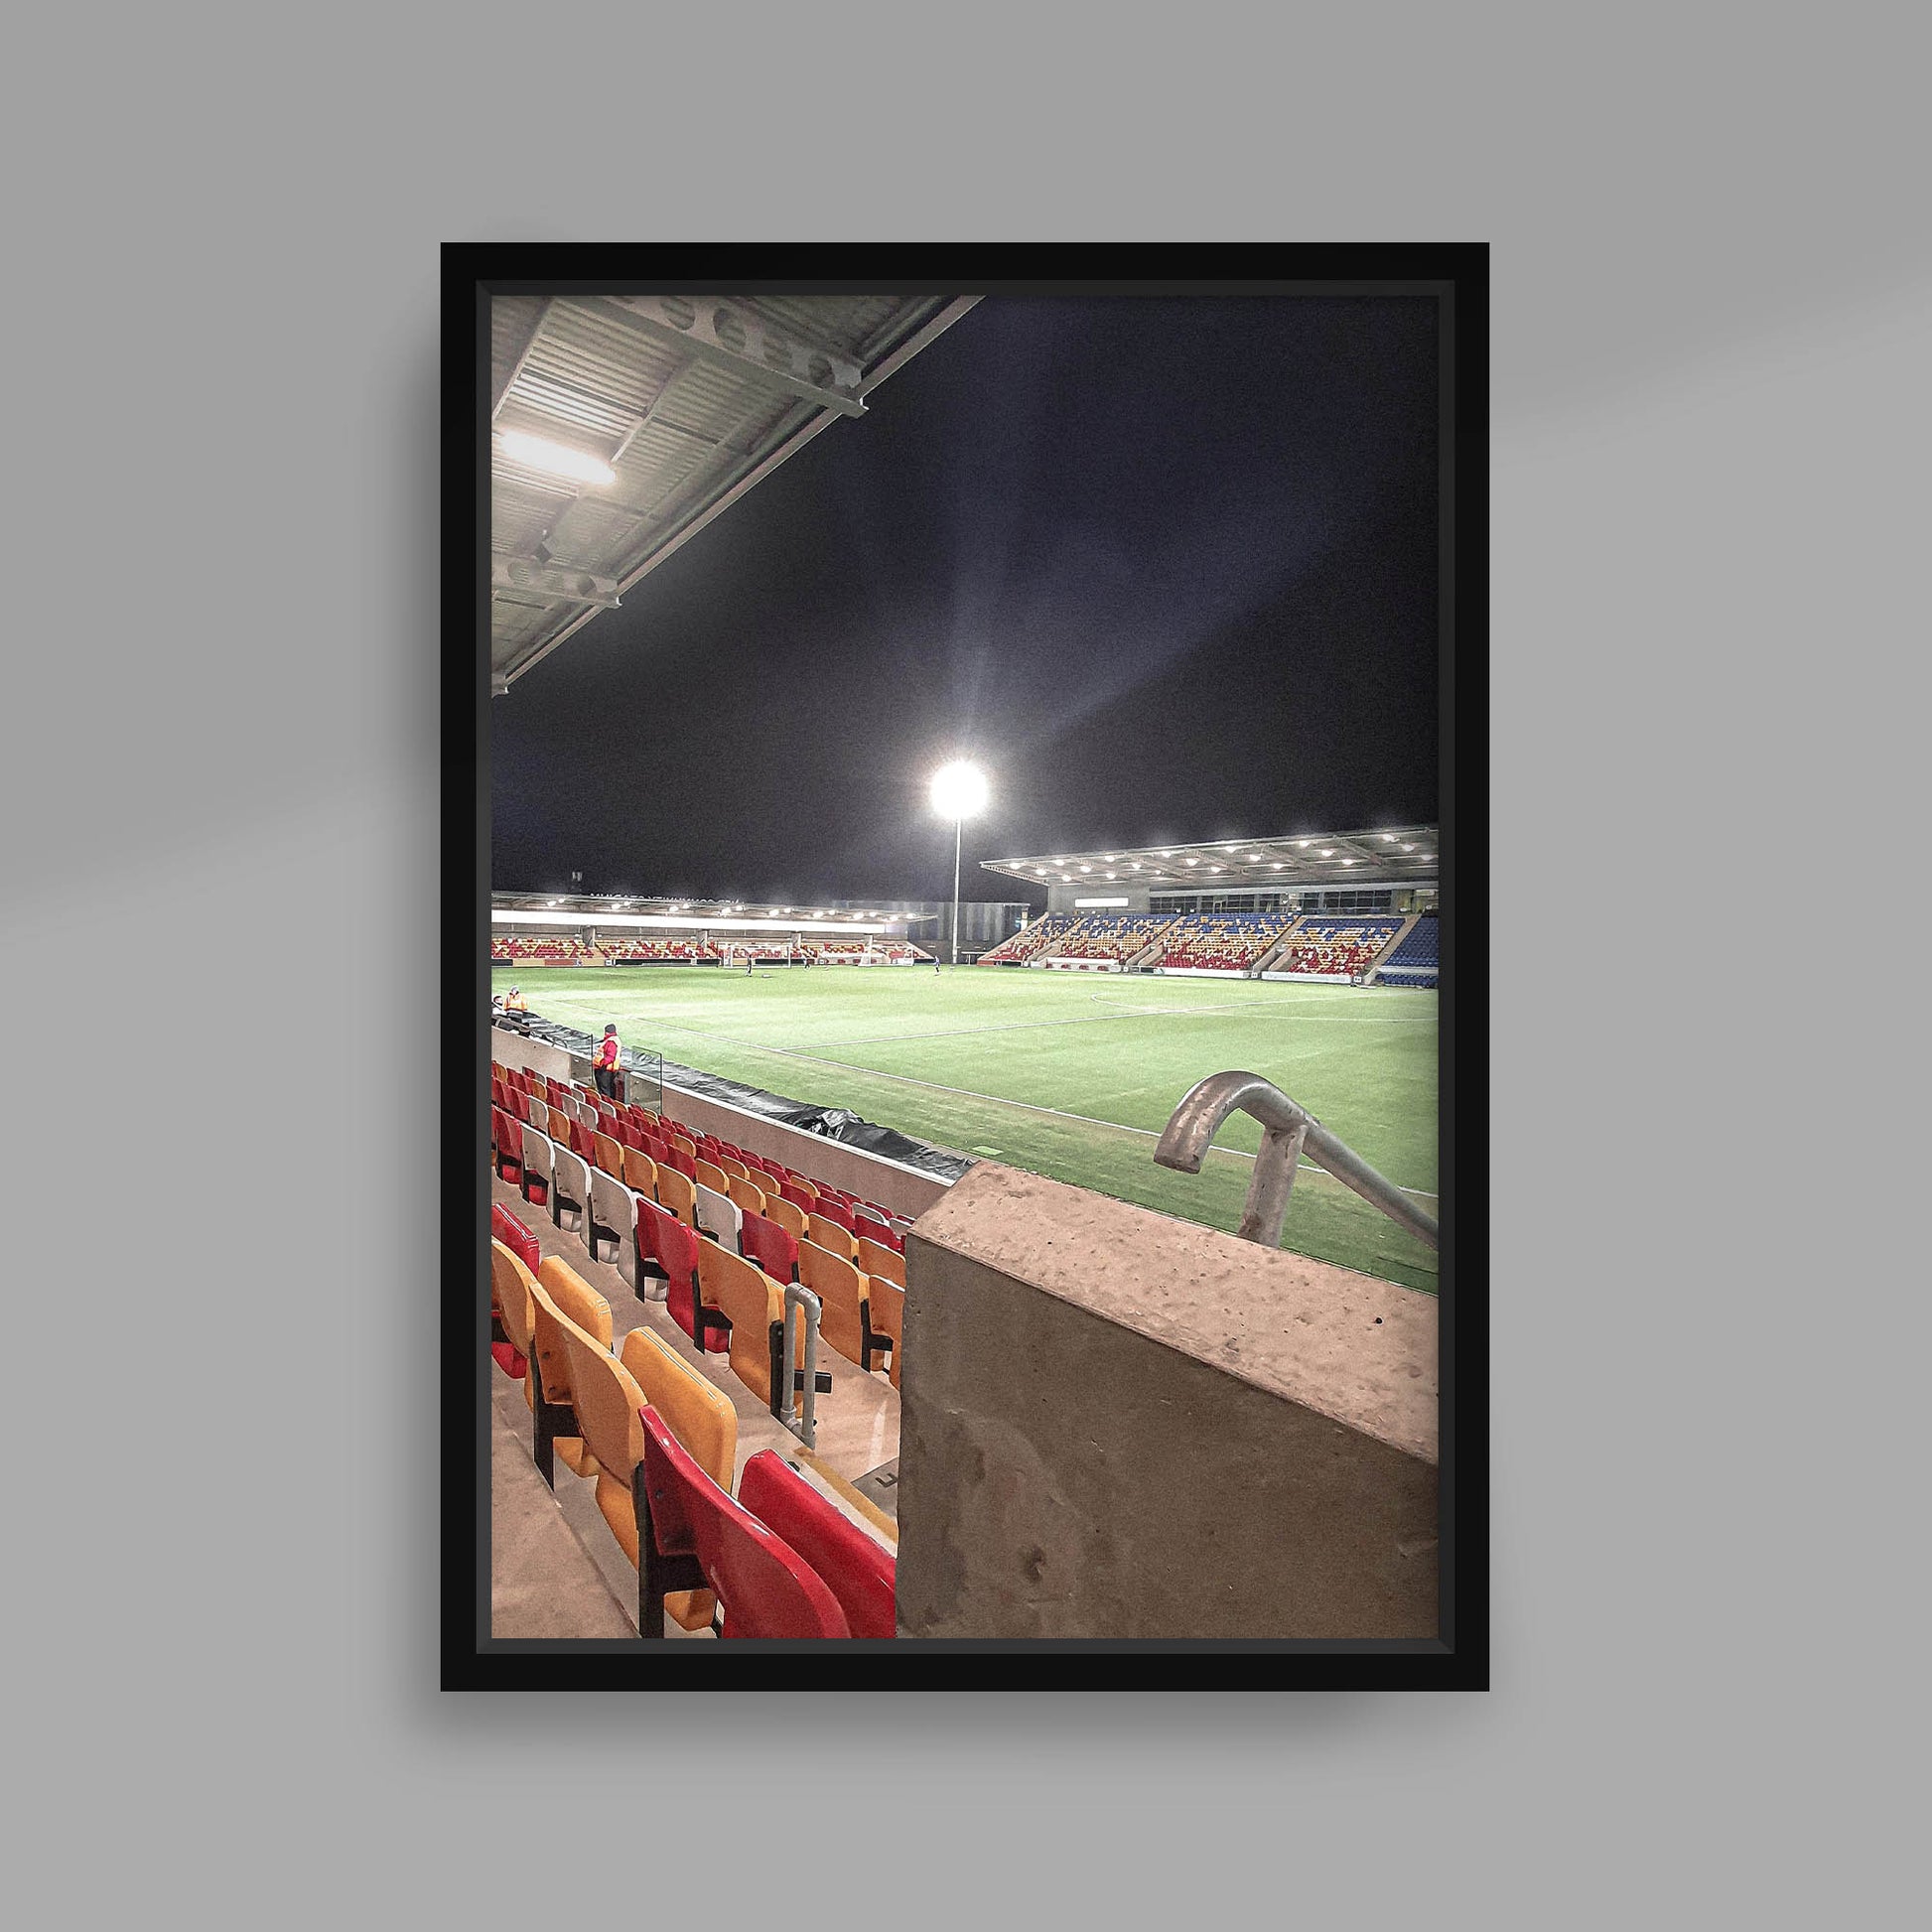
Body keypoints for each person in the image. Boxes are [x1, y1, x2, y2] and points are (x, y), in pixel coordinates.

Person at [594, 1022, 621, 1099]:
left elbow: (610, 1057)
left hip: (605, 1069)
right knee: (605, 1090)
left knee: (605, 1091)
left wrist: (602, 1064)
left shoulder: (611, 1041)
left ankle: (606, 1107)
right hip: (605, 1069)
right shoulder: (611, 1040)